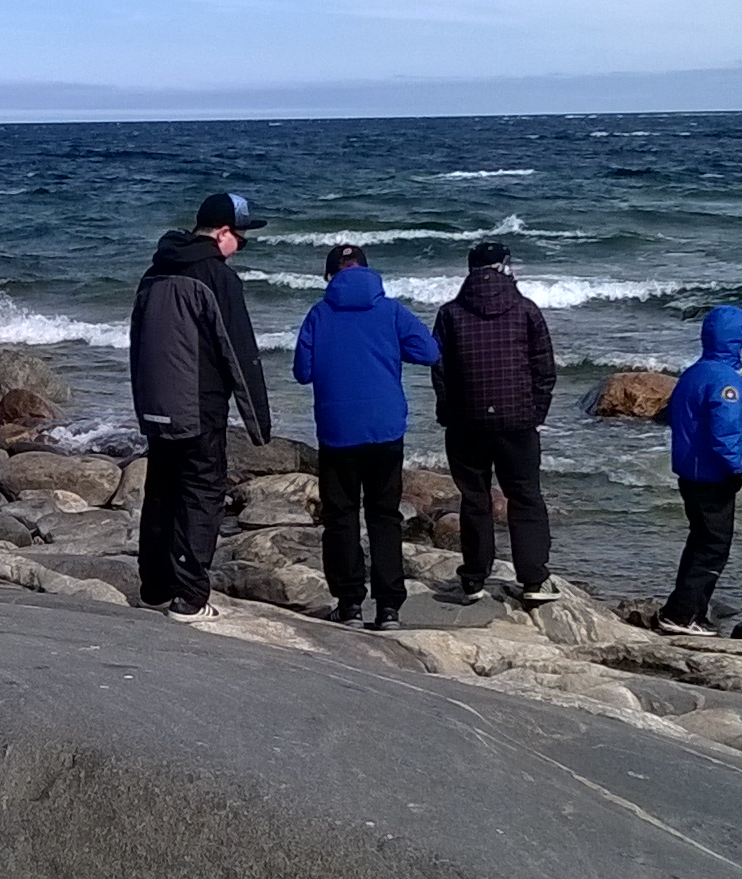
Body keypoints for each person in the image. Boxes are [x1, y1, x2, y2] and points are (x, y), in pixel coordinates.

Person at [129, 191, 273, 617]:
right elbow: (238, 351)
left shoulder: (155, 272)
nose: (240, 247)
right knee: (202, 493)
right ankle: (190, 597)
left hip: (157, 405)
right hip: (199, 406)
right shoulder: (216, 277)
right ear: (223, 232)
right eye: (241, 239)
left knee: (161, 491)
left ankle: (154, 587)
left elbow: (137, 342)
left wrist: (142, 403)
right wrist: (259, 424)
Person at [293, 244, 440, 629]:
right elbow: (429, 352)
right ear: (368, 273)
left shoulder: (319, 314)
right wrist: (388, 349)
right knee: (384, 515)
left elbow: (302, 371)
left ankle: (350, 605)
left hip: (337, 429)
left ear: (330, 277)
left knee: (340, 516)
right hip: (385, 427)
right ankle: (389, 608)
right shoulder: (391, 311)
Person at [431, 241, 566, 603]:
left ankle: (474, 579)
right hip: (517, 422)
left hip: (466, 424)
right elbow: (544, 369)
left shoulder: (450, 313)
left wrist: (447, 413)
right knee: (525, 497)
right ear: (505, 267)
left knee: (475, 499)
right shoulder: (526, 310)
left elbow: (439, 370)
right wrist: (537, 415)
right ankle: (534, 580)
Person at [661, 305, 742, 636]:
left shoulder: (693, 373)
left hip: (689, 472)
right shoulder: (726, 381)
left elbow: (672, 415)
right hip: (712, 475)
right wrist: (734, 470)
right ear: (734, 341)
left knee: (700, 541)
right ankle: (681, 614)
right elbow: (725, 432)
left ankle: (688, 610)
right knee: (713, 547)